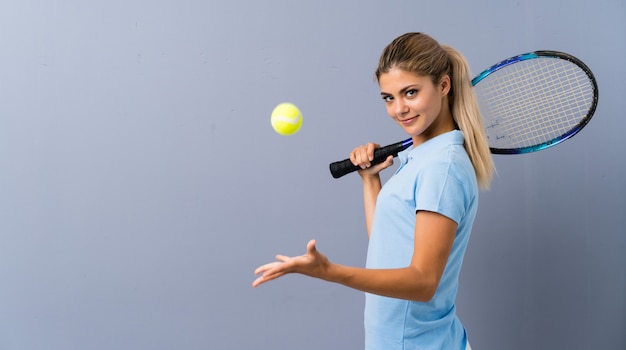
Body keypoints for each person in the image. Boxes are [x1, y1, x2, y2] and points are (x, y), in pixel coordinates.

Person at [252, 32, 494, 350]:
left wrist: (329, 271)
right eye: (388, 98)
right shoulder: (422, 159)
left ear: (444, 86)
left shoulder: (441, 168)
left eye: (410, 93)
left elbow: (422, 283)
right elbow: (388, 245)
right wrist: (370, 181)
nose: (399, 109)